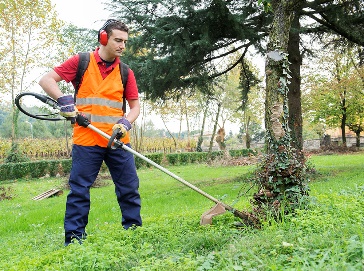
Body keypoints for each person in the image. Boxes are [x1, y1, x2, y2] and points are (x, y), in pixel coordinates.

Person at [39, 19, 142, 246]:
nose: (122, 46)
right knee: (79, 191)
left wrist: (125, 122)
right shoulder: (82, 62)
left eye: (125, 41)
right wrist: (64, 100)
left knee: (129, 188)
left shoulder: (126, 72)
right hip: (87, 139)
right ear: (103, 38)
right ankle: (75, 240)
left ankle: (134, 232)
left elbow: (135, 108)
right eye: (117, 40)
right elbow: (46, 80)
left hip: (117, 140)